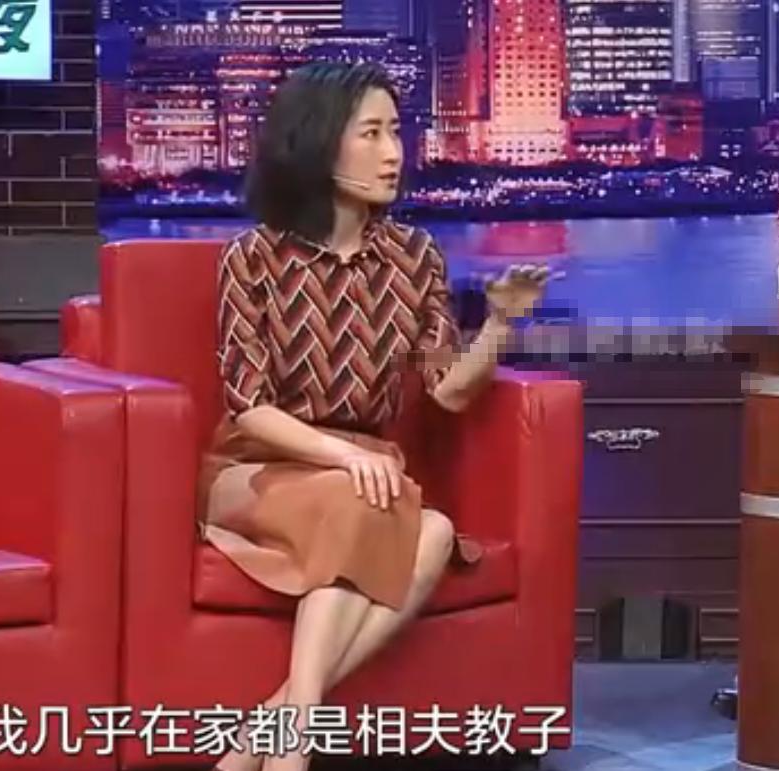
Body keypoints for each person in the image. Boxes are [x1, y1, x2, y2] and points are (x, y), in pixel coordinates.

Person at [203, 61, 555, 771]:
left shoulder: (413, 257)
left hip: (365, 478)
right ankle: (293, 749)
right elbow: (249, 404)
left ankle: (259, 741)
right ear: (319, 141)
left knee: (436, 533)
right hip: (258, 466)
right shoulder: (254, 258)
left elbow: (448, 391)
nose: (394, 152)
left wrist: (499, 324)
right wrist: (346, 456)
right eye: (371, 133)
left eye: (397, 131)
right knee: (364, 503)